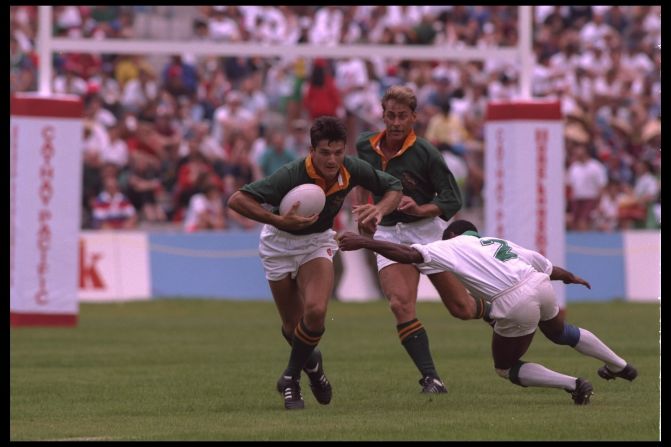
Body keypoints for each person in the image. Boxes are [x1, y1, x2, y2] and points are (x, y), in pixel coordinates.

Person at [336, 220, 638, 405]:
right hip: (541, 285)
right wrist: (570, 277)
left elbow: (410, 255)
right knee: (560, 332)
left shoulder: (452, 244)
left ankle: (573, 384)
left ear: (452, 234)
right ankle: (620, 365)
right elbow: (546, 266)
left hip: (514, 300)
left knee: (505, 368)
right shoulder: (497, 242)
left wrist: (365, 242)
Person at [227, 116, 404, 410]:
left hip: (317, 243)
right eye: (325, 153)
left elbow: (394, 186)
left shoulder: (351, 168)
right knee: (291, 326)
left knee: (317, 311)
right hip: (278, 244)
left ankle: (290, 379)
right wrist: (277, 219)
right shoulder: (291, 175)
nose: (332, 159)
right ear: (312, 151)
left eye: (338, 152)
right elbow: (237, 199)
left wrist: (379, 209)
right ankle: (313, 367)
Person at [354, 85, 470, 394]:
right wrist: (362, 209)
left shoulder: (426, 152)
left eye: (401, 116)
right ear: (383, 115)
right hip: (389, 233)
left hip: (427, 233)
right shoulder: (366, 146)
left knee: (462, 308)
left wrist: (421, 208)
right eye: (390, 115)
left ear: (414, 118)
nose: (394, 123)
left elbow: (452, 198)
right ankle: (432, 378)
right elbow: (359, 177)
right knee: (400, 303)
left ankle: (499, 315)